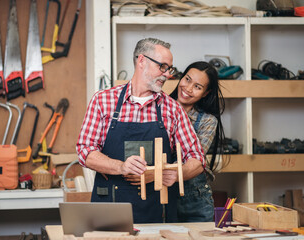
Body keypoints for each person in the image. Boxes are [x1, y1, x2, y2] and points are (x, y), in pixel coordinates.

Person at [76, 38, 205, 224]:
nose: (167, 75)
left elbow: (197, 158)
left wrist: (178, 174)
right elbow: (85, 151)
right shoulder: (103, 101)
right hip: (109, 207)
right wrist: (121, 167)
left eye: (170, 69)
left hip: (157, 211)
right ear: (142, 61)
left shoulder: (172, 109)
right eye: (163, 67)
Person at [169, 61, 226, 222]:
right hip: (159, 195)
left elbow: (194, 160)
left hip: (194, 201)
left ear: (206, 93)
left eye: (197, 87)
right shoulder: (158, 108)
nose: (188, 88)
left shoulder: (207, 121)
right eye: (187, 79)